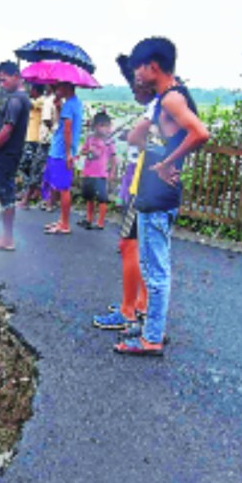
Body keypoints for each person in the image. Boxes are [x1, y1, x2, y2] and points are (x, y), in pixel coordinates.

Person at [114, 37, 209, 356]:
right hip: (153, 193)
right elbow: (142, 137)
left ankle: (151, 338)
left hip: (158, 197)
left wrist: (168, 162)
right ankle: (150, 328)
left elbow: (201, 133)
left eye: (138, 68)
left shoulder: (171, 99)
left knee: (156, 272)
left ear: (152, 66)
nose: (136, 75)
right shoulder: (168, 97)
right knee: (151, 264)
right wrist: (166, 156)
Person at [93, 55, 155, 333]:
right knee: (138, 248)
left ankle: (128, 310)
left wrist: (130, 134)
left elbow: (142, 141)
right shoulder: (159, 106)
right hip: (144, 185)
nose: (133, 91)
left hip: (144, 186)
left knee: (129, 246)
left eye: (135, 84)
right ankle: (139, 304)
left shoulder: (157, 108)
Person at [0, 61, 32, 251]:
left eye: (4, 80)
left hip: (7, 154)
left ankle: (8, 239)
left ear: (15, 76)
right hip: (10, 154)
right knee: (5, 193)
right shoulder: (17, 98)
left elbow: (8, 127)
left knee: (6, 194)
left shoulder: (15, 100)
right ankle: (5, 235)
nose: (1, 84)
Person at [42, 82, 84, 234]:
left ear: (67, 87)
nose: (57, 90)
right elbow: (63, 124)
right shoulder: (74, 103)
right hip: (60, 151)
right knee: (60, 187)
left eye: (59, 87)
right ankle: (61, 220)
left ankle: (65, 224)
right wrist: (58, 106)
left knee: (63, 188)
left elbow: (67, 130)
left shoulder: (70, 105)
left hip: (61, 152)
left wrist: (68, 154)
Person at [77, 112, 117, 230]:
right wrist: (89, 150)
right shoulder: (90, 139)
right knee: (89, 197)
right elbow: (83, 151)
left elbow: (114, 158)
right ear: (95, 126)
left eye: (107, 126)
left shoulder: (109, 142)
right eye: (102, 125)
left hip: (101, 174)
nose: (105, 129)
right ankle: (89, 219)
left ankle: (100, 222)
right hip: (88, 172)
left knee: (102, 198)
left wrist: (112, 172)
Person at [18, 85, 47, 207]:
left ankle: (30, 193)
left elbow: (29, 104)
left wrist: (21, 94)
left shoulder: (42, 101)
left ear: (36, 90)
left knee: (29, 167)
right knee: (27, 167)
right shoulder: (35, 102)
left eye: (32, 89)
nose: (30, 91)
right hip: (29, 139)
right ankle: (31, 191)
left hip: (35, 140)